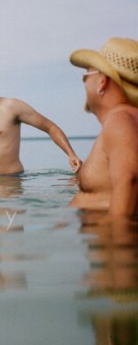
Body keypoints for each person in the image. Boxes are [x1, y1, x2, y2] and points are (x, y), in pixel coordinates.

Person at [69, 37, 138, 218]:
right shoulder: (125, 120)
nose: (84, 82)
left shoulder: (120, 120)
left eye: (86, 75)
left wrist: (119, 237)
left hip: (109, 234)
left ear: (102, 81)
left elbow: (130, 181)